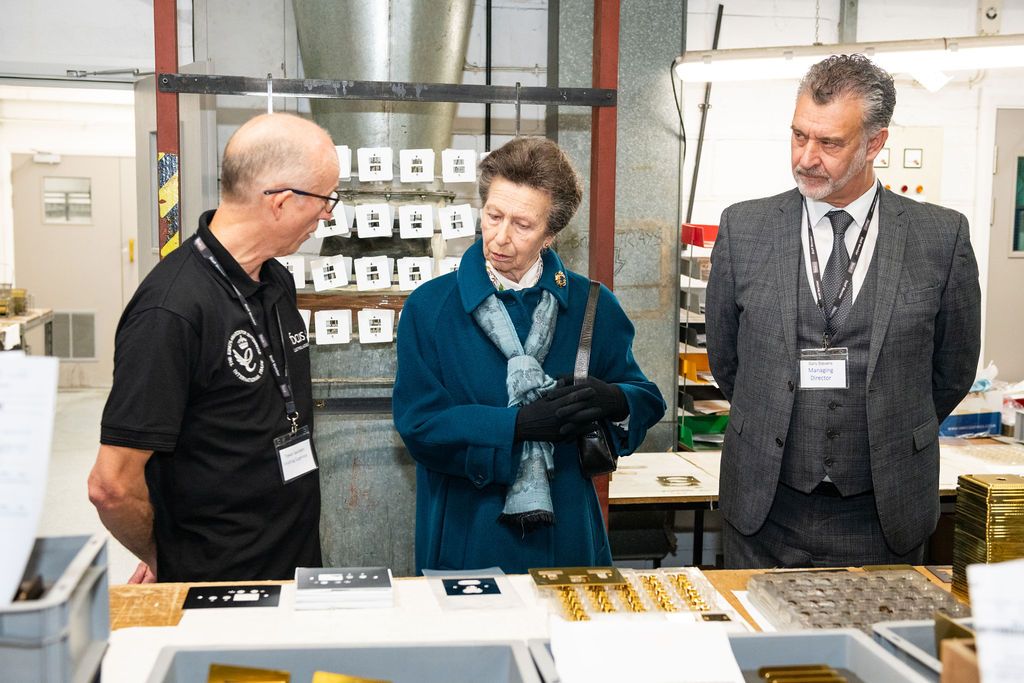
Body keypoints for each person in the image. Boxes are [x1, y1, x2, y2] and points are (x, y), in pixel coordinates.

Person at [706, 54, 981, 568]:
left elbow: (952, 370)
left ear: (875, 143)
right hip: (765, 508)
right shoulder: (744, 229)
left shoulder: (940, 239)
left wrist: (891, 427)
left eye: (829, 143)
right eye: (798, 135)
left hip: (883, 514)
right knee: (758, 646)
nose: (807, 157)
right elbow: (727, 361)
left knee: (877, 648)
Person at [393, 136, 666, 574]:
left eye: (522, 225)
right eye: (493, 215)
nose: (500, 237)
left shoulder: (591, 306)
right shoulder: (430, 308)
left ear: (551, 234)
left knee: (567, 638)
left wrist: (614, 400)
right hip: (468, 530)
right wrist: (513, 426)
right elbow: (419, 424)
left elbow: (645, 398)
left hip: (568, 531)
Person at [88, 113, 338, 582]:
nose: (328, 215)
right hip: (217, 584)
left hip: (293, 562)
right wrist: (165, 553)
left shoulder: (276, 279)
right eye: (326, 200)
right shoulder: (171, 311)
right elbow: (111, 485)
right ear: (282, 202)